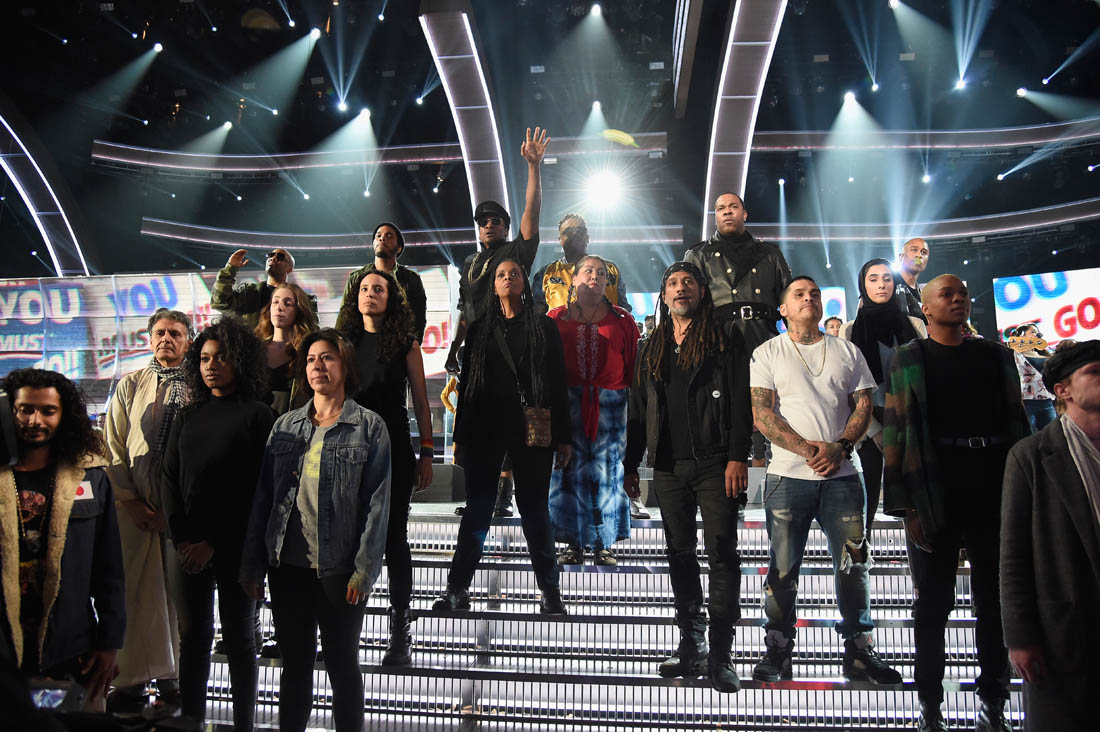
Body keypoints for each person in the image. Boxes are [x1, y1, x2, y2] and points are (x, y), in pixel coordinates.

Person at [882, 274, 1029, 732]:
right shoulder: (910, 357)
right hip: (934, 486)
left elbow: (1018, 423)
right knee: (933, 603)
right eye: (946, 294)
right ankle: (929, 705)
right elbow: (896, 432)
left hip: (994, 482)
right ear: (925, 308)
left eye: (962, 293)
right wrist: (905, 507)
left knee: (994, 600)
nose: (958, 299)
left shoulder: (997, 355)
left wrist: (1026, 491)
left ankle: (994, 703)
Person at [749, 276, 901, 686]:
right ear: (783, 309)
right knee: (782, 569)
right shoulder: (768, 352)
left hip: (844, 476)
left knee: (854, 565)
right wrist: (809, 450)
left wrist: (841, 447)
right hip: (787, 476)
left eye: (814, 293)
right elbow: (762, 413)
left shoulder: (847, 351)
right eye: (798, 295)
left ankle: (859, 652)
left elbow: (863, 404)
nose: (809, 299)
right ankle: (778, 649)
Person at [241, 329, 391, 732]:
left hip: (340, 568)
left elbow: (377, 506)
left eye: (327, 358)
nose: (317, 366)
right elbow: (264, 499)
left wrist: (364, 570)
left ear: (345, 366)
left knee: (342, 665)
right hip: (287, 566)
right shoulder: (285, 425)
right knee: (295, 666)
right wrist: (253, 565)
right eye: (310, 360)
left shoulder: (368, 427)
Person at [623, 261, 752, 693]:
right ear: (664, 296)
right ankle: (691, 644)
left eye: (688, 282)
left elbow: (740, 401)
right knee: (679, 555)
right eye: (673, 284)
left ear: (701, 291)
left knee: (722, 555)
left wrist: (738, 456)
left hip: (716, 462)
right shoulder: (651, 346)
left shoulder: (724, 337)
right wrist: (630, 464)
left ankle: (722, 654)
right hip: (668, 466)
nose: (681, 289)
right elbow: (638, 409)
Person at [433, 258, 571, 615]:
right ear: (493, 286)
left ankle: (550, 592)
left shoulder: (544, 326)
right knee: (477, 510)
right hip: (485, 429)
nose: (508, 278)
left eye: (514, 273)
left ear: (523, 281)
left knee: (535, 511)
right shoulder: (480, 329)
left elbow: (558, 382)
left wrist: (564, 437)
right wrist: (461, 438)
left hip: (531, 430)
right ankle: (457, 589)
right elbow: (468, 387)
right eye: (500, 275)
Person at [159, 319, 273, 731]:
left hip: (236, 546)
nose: (211, 365)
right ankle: (190, 723)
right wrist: (183, 539)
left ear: (239, 361)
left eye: (221, 357)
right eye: (205, 359)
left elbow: (256, 489)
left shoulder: (259, 415)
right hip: (186, 547)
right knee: (193, 640)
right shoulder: (187, 414)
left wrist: (212, 542)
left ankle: (243, 725)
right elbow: (168, 478)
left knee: (240, 641)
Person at [1, 368, 125, 708]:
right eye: (25, 410)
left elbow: (109, 568)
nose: (35, 420)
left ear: (63, 415)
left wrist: (110, 642)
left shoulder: (91, 477)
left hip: (69, 645)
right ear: (10, 411)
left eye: (48, 411)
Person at [443, 127, 551, 518]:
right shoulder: (470, 263)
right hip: (476, 349)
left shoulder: (514, 252)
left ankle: (506, 496)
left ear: (505, 226)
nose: (488, 225)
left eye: (495, 220)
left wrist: (534, 168)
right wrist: (454, 347)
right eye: (482, 221)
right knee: (478, 422)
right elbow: (464, 307)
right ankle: (482, 497)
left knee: (510, 418)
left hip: (512, 345)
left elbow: (531, 217)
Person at [1001, 341, 1100, 731]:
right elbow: (1014, 554)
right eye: (1095, 372)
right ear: (1063, 390)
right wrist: (1020, 637)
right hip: (1065, 626)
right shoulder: (1032, 455)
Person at [340, 269, 434, 667]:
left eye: (378, 289)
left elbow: (422, 402)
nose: (370, 294)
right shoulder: (343, 343)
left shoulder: (405, 343)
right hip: (348, 449)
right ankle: (343, 628)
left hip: (393, 447)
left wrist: (427, 451)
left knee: (395, 538)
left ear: (391, 297)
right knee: (346, 539)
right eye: (364, 288)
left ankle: (400, 631)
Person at [103, 308, 192, 710]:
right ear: (149, 338)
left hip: (180, 516)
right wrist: (132, 501)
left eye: (175, 333)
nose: (166, 339)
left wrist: (170, 511)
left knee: (176, 601)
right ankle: (132, 681)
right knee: (137, 598)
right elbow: (113, 446)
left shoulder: (198, 385)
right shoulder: (131, 384)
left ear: (188, 340)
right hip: (134, 513)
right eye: (159, 333)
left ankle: (175, 679)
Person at [685, 192, 792, 471]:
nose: (727, 211)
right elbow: (689, 304)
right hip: (718, 341)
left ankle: (780, 469)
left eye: (733, 206)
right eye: (721, 208)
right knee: (722, 410)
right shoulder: (698, 255)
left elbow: (789, 300)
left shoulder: (770, 253)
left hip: (764, 340)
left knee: (773, 407)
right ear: (715, 216)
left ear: (744, 214)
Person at [548, 255, 639, 566]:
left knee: (609, 471)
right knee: (567, 470)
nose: (595, 276)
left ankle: (604, 542)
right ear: (573, 279)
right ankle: (571, 542)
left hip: (611, 406)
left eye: (601, 273)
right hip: (567, 404)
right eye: (588, 271)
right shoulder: (555, 318)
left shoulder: (622, 320)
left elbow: (632, 367)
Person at [839, 258, 927, 537]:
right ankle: (861, 554)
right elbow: (848, 387)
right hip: (869, 419)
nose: (881, 285)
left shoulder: (915, 324)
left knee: (917, 499)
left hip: (910, 419)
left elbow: (923, 377)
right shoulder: (849, 330)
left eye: (887, 278)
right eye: (873, 279)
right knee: (865, 500)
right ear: (863, 285)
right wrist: (874, 430)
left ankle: (920, 556)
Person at [334, 222, 428, 341]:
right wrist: (340, 344)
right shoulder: (356, 277)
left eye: (389, 236)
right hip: (362, 342)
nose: (382, 238)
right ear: (373, 244)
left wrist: (412, 345)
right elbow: (345, 315)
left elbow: (418, 318)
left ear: (399, 247)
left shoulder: (411, 279)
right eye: (378, 236)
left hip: (397, 343)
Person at [532, 213, 630, 313]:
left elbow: (624, 311)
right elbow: (537, 313)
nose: (574, 234)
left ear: (587, 238)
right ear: (560, 240)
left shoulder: (611, 270)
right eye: (568, 231)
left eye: (579, 230)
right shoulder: (546, 273)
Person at [211, 247, 317, 329]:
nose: (273, 258)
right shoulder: (249, 293)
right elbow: (219, 303)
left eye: (280, 257)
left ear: (289, 269)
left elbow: (311, 330)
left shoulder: (302, 300)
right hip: (253, 349)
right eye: (271, 255)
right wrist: (230, 269)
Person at [255, 282, 318, 415]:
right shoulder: (254, 349)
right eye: (275, 302)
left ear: (299, 311)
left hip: (293, 423)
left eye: (288, 303)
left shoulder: (308, 352)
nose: (279, 308)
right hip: (257, 424)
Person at [1004, 323, 1057, 432]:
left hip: (1046, 400)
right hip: (1027, 401)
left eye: (1037, 333)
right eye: (1032, 332)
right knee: (1029, 432)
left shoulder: (1045, 354)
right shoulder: (1015, 354)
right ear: (1021, 335)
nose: (1036, 335)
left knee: (1051, 433)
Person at [895, 238, 929, 323]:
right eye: (914, 250)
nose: (919, 255)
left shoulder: (924, 295)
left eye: (924, 252)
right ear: (901, 257)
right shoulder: (887, 284)